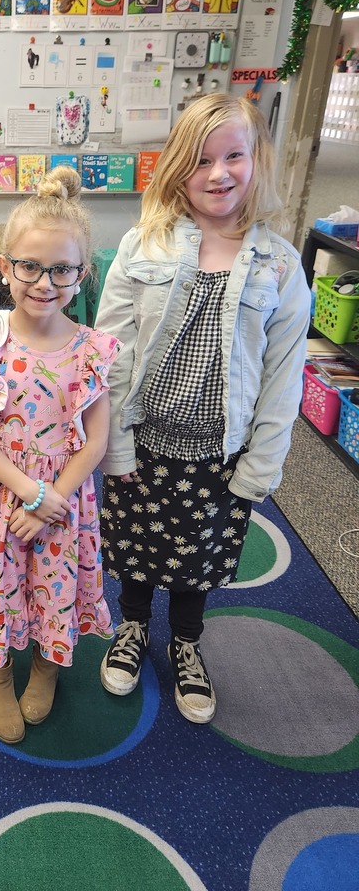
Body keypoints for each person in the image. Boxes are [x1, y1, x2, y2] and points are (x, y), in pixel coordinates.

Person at [95, 94, 311, 725]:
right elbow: (112, 351)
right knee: (136, 547)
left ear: (255, 160)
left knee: (198, 555)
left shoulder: (279, 264)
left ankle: (185, 640)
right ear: (177, 170)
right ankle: (132, 628)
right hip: (145, 441)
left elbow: (282, 378)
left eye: (234, 156)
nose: (219, 174)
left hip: (221, 451)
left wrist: (261, 466)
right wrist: (113, 444)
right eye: (201, 161)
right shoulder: (144, 244)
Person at [0, 167, 121, 744]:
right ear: (3, 268)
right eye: (29, 266)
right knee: (1, 581)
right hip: (3, 495)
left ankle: (47, 666)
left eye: (61, 269)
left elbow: (94, 440)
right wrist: (30, 493)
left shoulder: (92, 349)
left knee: (54, 583)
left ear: (83, 273)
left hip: (64, 501)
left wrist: (53, 500)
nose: (44, 282)